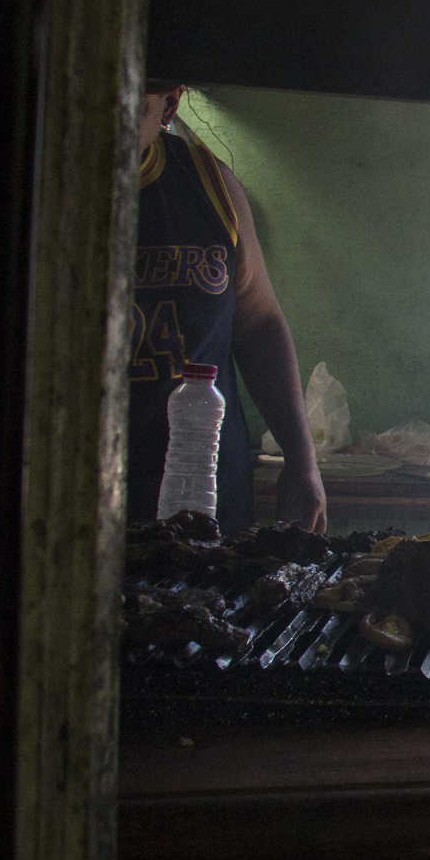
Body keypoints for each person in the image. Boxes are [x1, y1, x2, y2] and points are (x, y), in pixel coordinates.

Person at [128, 83, 327, 533]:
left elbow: (257, 323)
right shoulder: (43, 182)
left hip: (204, 490)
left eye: (131, 110)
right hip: (67, 485)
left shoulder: (209, 183)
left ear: (169, 106)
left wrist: (302, 460)